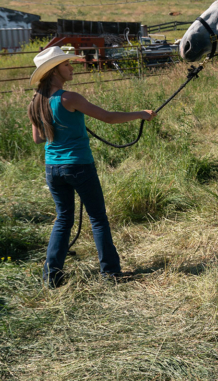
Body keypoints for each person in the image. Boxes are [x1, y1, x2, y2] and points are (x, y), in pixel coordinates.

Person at [28, 46, 156, 287]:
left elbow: (38, 139)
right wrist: (141, 113)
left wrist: (61, 126)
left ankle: (51, 276)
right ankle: (110, 273)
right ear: (54, 71)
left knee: (63, 219)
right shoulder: (70, 98)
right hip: (78, 166)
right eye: (66, 65)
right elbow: (108, 117)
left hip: (52, 169)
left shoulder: (36, 101)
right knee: (97, 217)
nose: (71, 67)